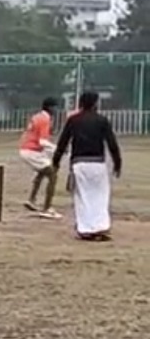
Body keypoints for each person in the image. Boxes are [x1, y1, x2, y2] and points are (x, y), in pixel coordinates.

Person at [52, 91, 122, 242]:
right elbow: (112, 144)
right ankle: (100, 226)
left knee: (82, 197)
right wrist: (117, 163)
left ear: (81, 103)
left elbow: (63, 142)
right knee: (100, 196)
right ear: (96, 103)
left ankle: (85, 228)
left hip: (79, 162)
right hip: (98, 163)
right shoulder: (102, 120)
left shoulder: (73, 120)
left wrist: (55, 162)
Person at [17, 97, 61, 219]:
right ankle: (47, 208)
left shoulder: (37, 116)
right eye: (55, 107)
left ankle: (31, 200)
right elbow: (42, 141)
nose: (56, 110)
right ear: (50, 107)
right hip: (31, 150)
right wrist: (57, 149)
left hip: (27, 149)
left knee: (42, 172)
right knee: (52, 174)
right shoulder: (45, 119)